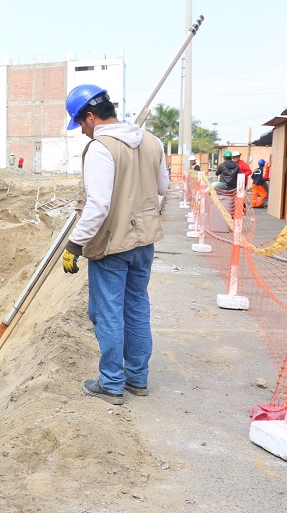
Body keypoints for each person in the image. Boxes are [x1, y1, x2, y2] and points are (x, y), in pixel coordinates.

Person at [60, 84, 168, 406]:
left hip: (112, 246)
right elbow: (163, 186)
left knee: (107, 314)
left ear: (91, 117)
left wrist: (74, 245)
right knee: (136, 308)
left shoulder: (100, 147)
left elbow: (98, 206)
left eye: (80, 124)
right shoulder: (152, 141)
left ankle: (111, 383)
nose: (82, 132)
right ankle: (137, 378)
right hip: (144, 241)